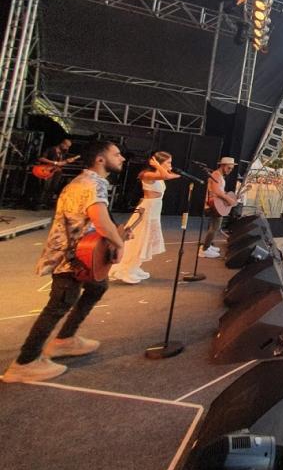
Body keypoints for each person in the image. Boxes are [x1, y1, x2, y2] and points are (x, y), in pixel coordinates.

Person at [3, 141, 126, 383]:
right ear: (100, 160)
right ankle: (25, 362)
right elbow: (100, 221)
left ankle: (65, 339)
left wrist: (114, 235)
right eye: (117, 154)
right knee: (58, 305)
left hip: (80, 255)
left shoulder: (84, 181)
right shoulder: (93, 184)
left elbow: (91, 222)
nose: (122, 158)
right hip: (72, 258)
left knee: (97, 286)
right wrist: (119, 244)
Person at [108, 151, 179, 284]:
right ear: (157, 162)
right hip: (147, 209)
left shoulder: (157, 175)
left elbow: (170, 175)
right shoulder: (148, 174)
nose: (170, 164)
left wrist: (163, 168)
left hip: (155, 209)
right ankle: (125, 269)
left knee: (146, 240)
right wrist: (158, 166)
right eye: (168, 162)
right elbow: (167, 176)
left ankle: (134, 266)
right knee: (139, 239)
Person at [199, 156, 237, 259]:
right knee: (215, 227)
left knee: (215, 226)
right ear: (223, 166)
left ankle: (208, 245)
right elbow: (216, 191)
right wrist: (229, 200)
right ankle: (204, 250)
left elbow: (219, 190)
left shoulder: (218, 175)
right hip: (213, 204)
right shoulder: (216, 175)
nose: (230, 170)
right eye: (229, 168)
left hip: (215, 203)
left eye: (232, 169)